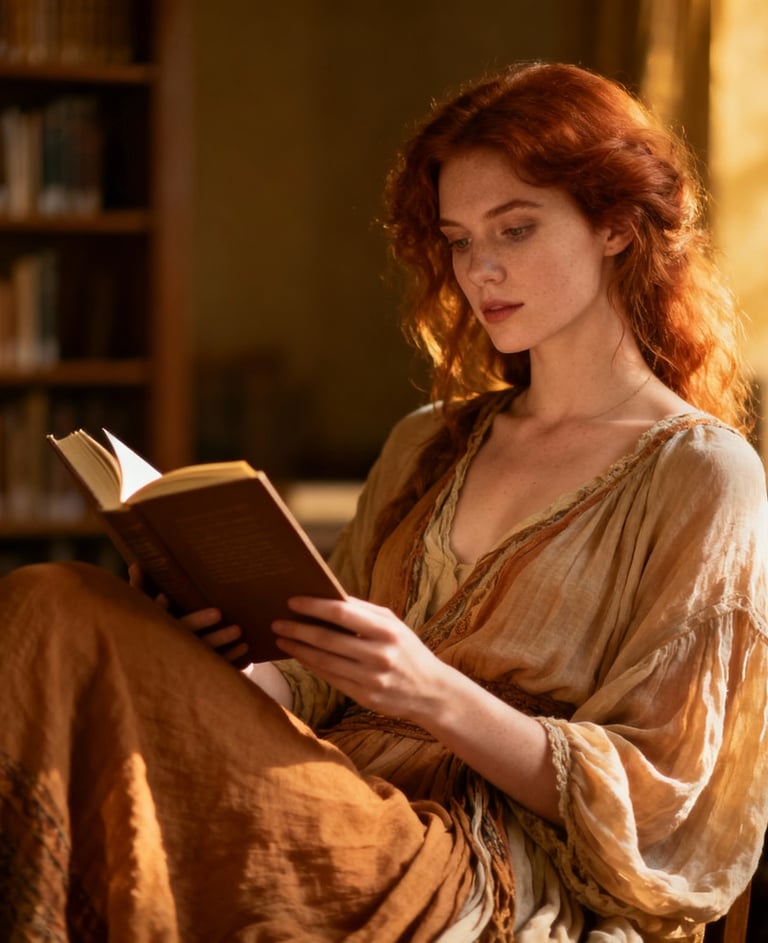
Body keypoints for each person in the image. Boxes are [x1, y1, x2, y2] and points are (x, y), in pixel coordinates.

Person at [1, 61, 766, 942]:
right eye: (459, 239)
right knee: (59, 604)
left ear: (618, 227)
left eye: (515, 230)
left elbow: (672, 810)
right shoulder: (425, 440)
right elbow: (322, 677)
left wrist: (433, 693)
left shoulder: (704, 473)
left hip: (483, 870)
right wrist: (225, 665)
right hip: (334, 783)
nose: (483, 271)